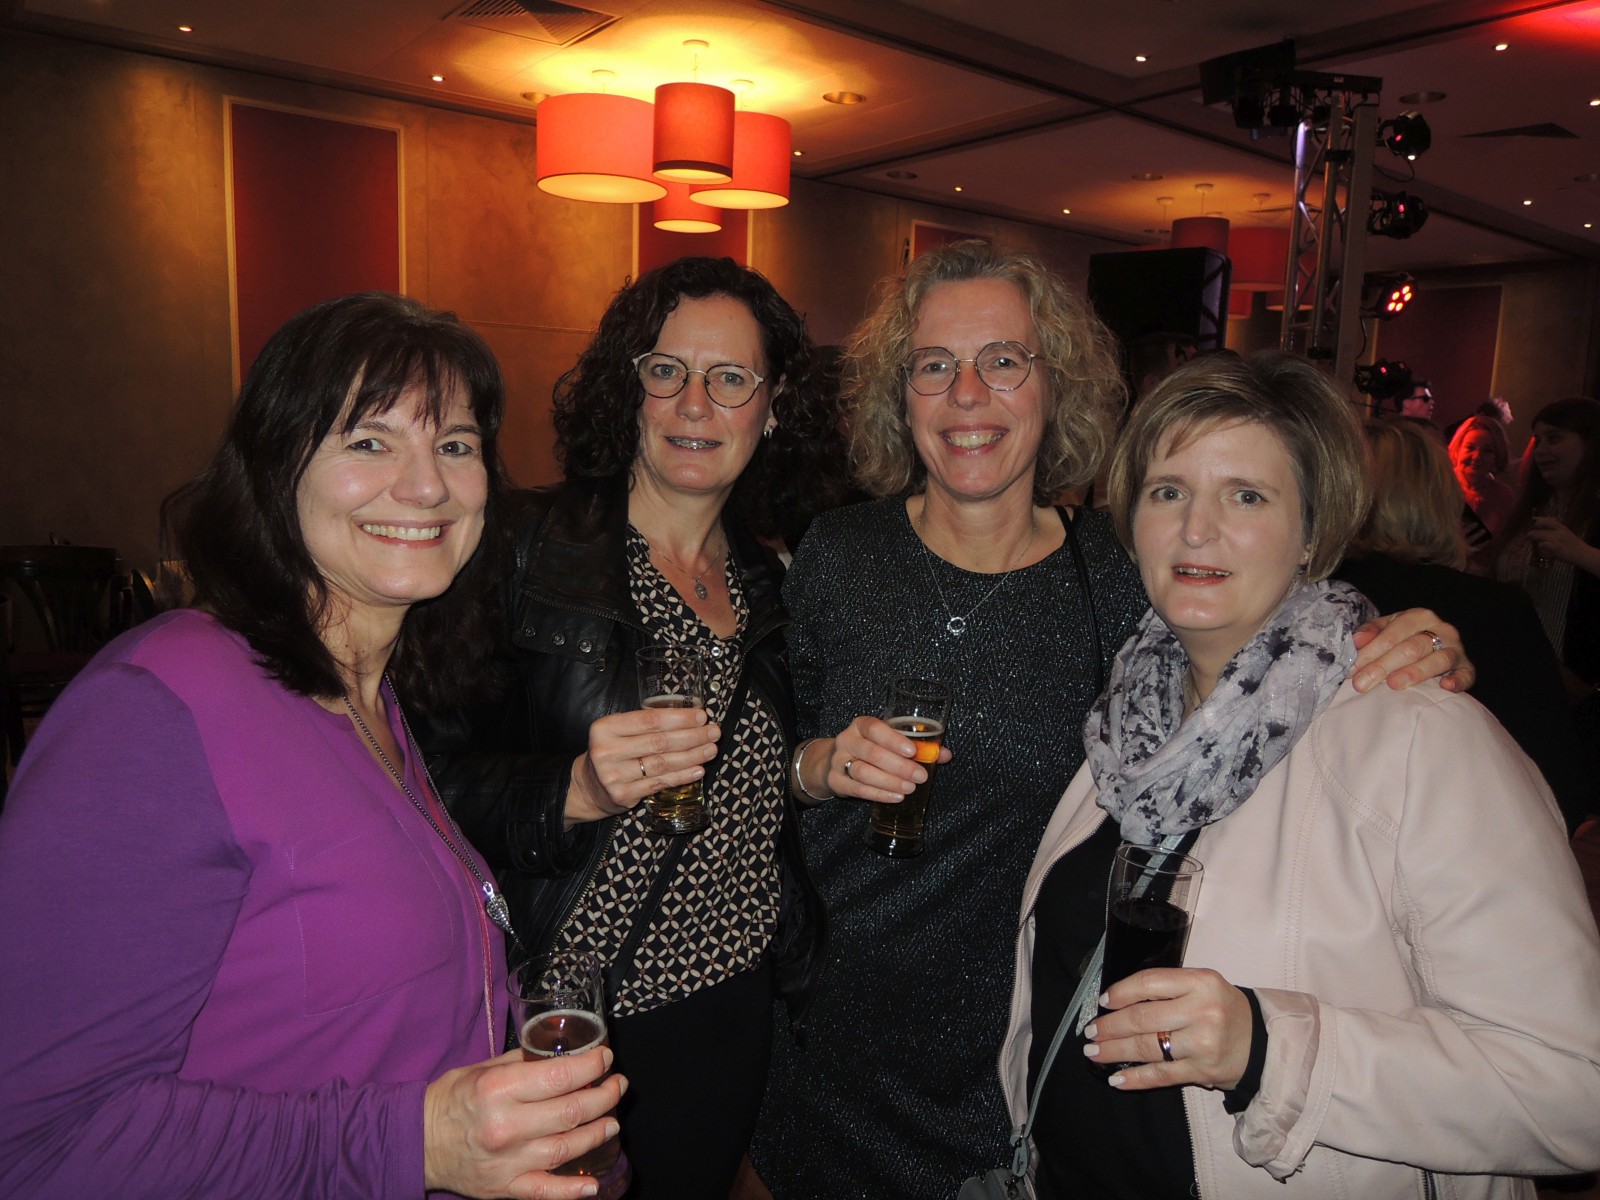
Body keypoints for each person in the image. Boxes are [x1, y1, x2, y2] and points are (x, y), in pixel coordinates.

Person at [746, 240, 1472, 1199]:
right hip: (830, 1030)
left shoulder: (1125, 571)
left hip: (1017, 1047)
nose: (968, 393)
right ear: (900, 393)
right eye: (934, 365)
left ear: (1057, 385)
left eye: (1004, 360)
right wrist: (814, 767)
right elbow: (763, 765)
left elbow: (1262, 633)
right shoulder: (839, 553)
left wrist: (1383, 636)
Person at [0, 293, 624, 1199]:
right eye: (369, 441)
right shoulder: (150, 714)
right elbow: (35, 1145)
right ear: (273, 467)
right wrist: (414, 1143)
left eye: (455, 445)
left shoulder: (372, 698)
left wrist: (539, 1123)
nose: (427, 486)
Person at [1001, 351, 1600, 1199]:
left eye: (1247, 496)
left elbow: (1576, 1088)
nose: (1196, 529)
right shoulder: (1121, 726)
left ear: (1313, 533)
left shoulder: (1418, 737)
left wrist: (1269, 1049)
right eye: (1168, 491)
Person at [418, 257, 828, 1199]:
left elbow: (765, 796)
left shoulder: (776, 581)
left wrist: (816, 768)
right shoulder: (521, 545)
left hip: (733, 1007)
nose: (694, 403)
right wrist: (571, 790)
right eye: (665, 370)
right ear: (628, 387)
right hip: (580, 1011)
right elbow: (413, 785)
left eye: (731, 378)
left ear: (772, 409)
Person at [1337, 419, 1594, 831]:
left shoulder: (1300, 596)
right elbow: (1558, 785)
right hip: (1464, 839)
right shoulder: (1495, 610)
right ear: (1441, 499)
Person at [1491, 397, 1600, 700]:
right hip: (1517, 666)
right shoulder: (1536, 507)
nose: (1541, 451)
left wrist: (1581, 553)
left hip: (1575, 683)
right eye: (1538, 441)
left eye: (1554, 439)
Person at [1448, 413, 1516, 541]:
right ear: (1458, 448)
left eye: (1487, 451)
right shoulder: (1439, 486)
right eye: (1470, 448)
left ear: (1498, 454)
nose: (1477, 456)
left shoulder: (1504, 496)